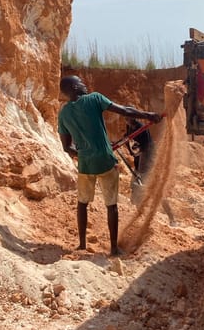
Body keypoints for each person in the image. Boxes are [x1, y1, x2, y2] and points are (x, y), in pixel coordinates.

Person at [58, 75, 162, 256]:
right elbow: (125, 111)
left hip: (85, 164)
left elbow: (67, 147)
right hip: (105, 161)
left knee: (82, 203)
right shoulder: (95, 98)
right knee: (111, 205)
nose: (85, 86)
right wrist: (148, 115)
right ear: (74, 88)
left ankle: (82, 244)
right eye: (81, 83)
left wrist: (81, 153)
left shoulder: (63, 113)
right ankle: (114, 248)